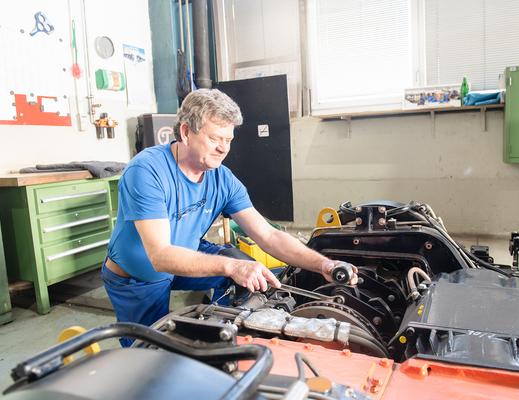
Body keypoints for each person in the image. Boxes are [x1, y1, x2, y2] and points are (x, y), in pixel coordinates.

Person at [102, 89, 357, 346]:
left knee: (246, 270)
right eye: (215, 138)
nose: (223, 148)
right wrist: (232, 267)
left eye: (229, 139)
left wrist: (323, 265)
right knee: (147, 354)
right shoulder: (147, 171)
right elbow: (160, 256)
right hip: (139, 278)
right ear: (186, 132)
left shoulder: (222, 178)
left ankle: (218, 336)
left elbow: (268, 235)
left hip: (186, 255)